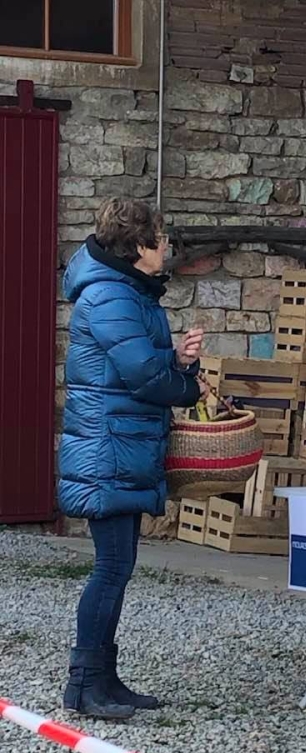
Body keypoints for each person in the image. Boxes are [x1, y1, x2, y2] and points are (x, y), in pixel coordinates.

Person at [58, 197, 208, 719]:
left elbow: (140, 362)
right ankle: (84, 684)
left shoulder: (126, 293)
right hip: (109, 449)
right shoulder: (111, 296)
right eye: (161, 238)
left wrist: (178, 359)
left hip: (119, 446)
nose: (167, 247)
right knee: (112, 567)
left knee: (118, 565)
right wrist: (184, 382)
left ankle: (105, 676)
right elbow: (142, 377)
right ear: (138, 246)